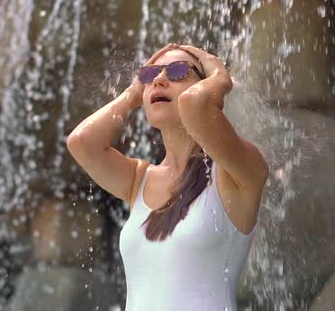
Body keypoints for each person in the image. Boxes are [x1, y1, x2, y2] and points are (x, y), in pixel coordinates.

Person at [66, 43, 268, 311]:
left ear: (206, 86)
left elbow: (194, 105)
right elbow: (81, 142)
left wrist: (220, 75)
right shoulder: (140, 178)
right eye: (150, 75)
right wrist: (132, 93)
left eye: (177, 71)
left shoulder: (236, 173)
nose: (159, 79)